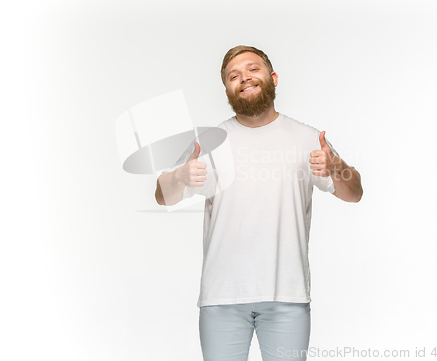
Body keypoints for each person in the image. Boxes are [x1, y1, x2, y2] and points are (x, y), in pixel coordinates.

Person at [155, 45, 363, 361]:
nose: (245, 78)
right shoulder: (208, 142)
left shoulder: (307, 138)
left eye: (253, 69)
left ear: (273, 77)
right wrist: (179, 177)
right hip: (222, 298)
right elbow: (162, 196)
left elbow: (354, 192)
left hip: (287, 298)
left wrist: (336, 168)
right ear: (227, 89)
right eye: (233, 76)